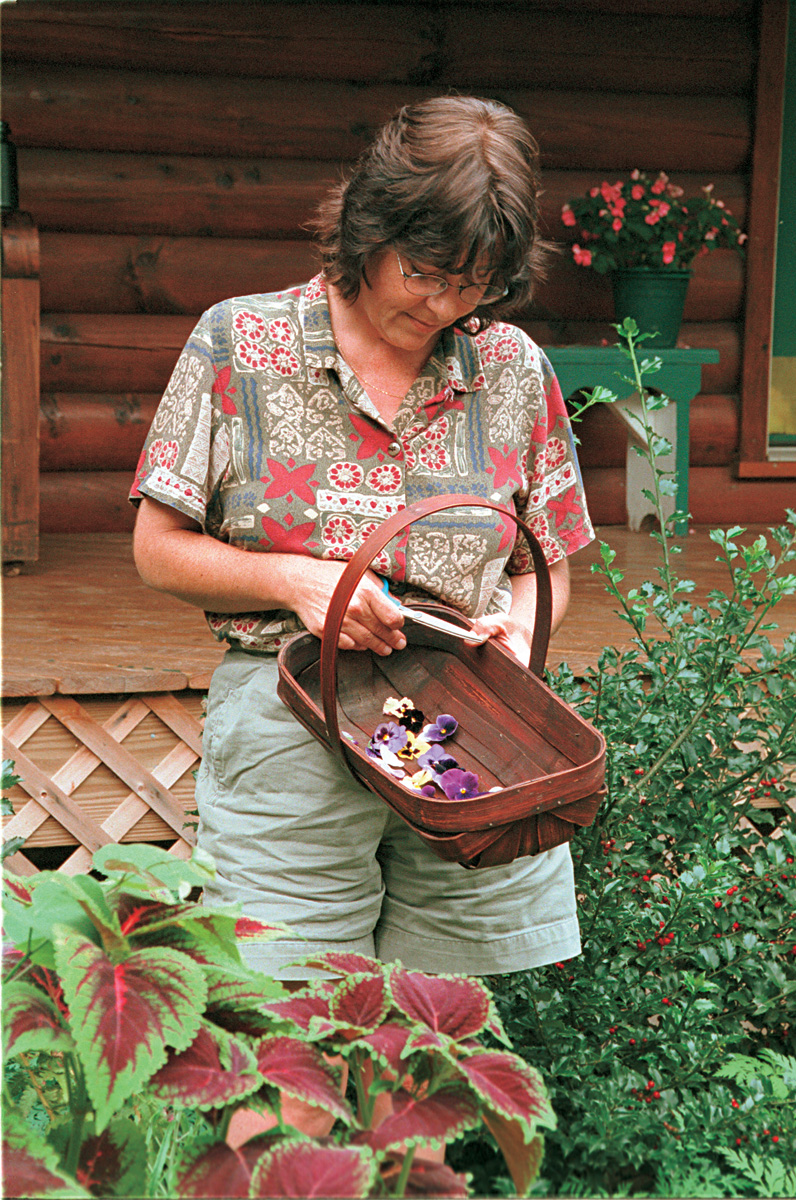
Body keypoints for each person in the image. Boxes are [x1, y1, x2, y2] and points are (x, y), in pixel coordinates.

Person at [131, 95, 595, 992]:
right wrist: (303, 584)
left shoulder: (509, 366)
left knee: (439, 1039)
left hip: (475, 730)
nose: (445, 304)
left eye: (475, 284)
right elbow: (157, 548)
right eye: (425, 272)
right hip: (290, 708)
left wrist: (519, 634)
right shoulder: (243, 344)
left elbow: (545, 564)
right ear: (367, 227)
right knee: (293, 1020)